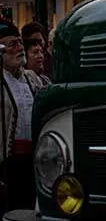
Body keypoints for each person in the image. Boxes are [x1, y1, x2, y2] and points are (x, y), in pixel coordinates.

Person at [1, 19, 45, 210]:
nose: (19, 47)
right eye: (13, 44)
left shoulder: (31, 78)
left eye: (20, 42)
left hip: (32, 161)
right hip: (8, 164)